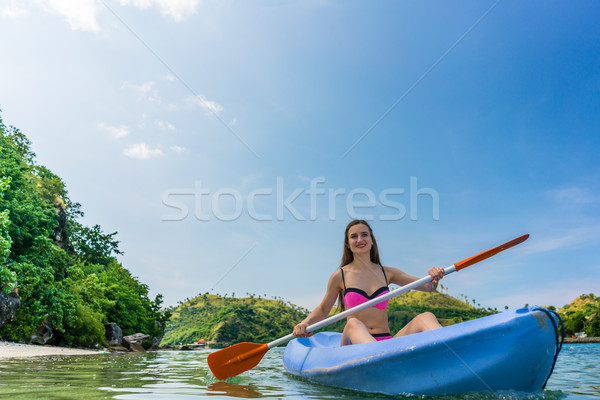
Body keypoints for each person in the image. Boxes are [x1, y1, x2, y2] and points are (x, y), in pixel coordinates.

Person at [293, 219, 445, 345]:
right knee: (354, 323)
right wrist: (305, 324)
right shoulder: (340, 276)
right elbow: (323, 309)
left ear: (371, 240)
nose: (359, 240)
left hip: (385, 342)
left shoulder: (388, 272)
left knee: (426, 317)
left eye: (364, 235)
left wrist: (434, 276)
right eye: (354, 236)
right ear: (348, 243)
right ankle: (380, 357)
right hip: (353, 343)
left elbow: (427, 286)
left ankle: (449, 350)